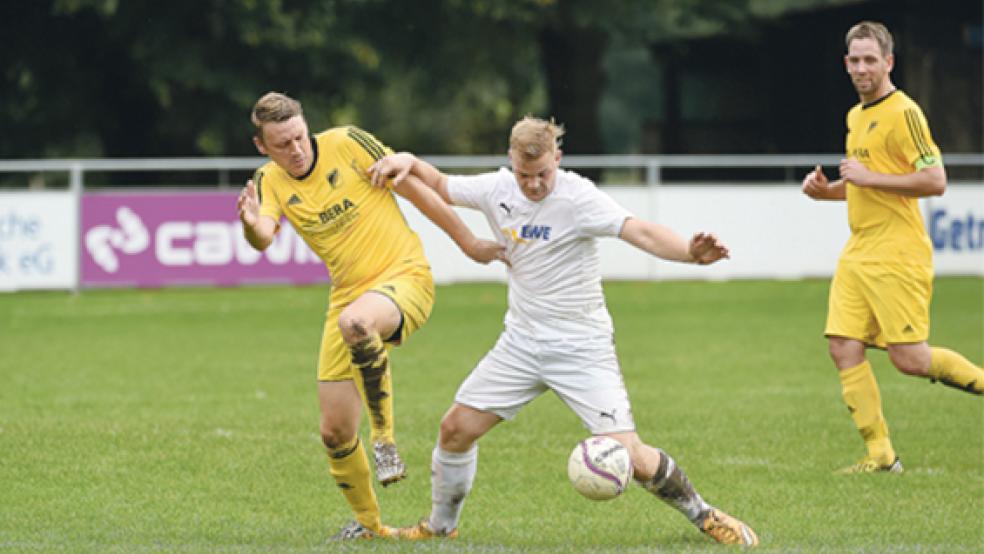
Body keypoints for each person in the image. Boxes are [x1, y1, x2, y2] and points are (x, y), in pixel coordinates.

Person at [367, 116, 760, 546]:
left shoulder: (579, 197)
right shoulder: (497, 188)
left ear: (559, 158)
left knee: (631, 455)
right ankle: (439, 527)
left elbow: (640, 232)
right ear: (510, 162)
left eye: (542, 175)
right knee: (455, 429)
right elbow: (441, 185)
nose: (533, 185)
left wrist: (688, 252)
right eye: (523, 175)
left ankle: (704, 515)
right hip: (519, 343)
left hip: (581, 346)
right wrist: (407, 159)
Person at [237, 92, 505, 540]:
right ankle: (370, 526)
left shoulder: (348, 143)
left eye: (299, 137)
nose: (296, 149)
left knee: (358, 324)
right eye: (282, 144)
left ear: (308, 127)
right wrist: (249, 225)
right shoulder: (268, 181)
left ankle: (384, 441)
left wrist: (470, 244)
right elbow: (263, 236)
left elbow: (415, 190)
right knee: (335, 431)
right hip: (346, 299)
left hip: (405, 278)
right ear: (262, 146)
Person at [801, 22, 983, 474]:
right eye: (854, 60)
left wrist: (866, 179)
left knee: (911, 360)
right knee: (843, 346)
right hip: (859, 250)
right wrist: (830, 192)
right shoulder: (855, 116)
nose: (862, 68)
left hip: (897, 253)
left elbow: (935, 180)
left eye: (870, 60)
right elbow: (868, 185)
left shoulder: (905, 113)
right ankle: (880, 454)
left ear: (888, 62)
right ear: (846, 64)